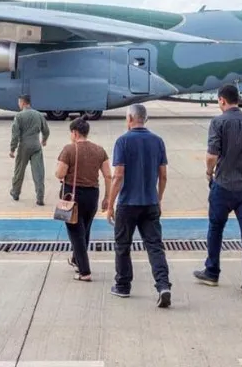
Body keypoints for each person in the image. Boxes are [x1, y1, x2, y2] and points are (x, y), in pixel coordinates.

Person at [193, 83, 242, 295]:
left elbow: (212, 154)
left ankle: (212, 271)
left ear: (222, 100)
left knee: (215, 228)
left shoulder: (218, 122)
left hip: (224, 185)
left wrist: (208, 172)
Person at [106, 103, 172, 308]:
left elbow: (118, 176)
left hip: (128, 203)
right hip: (150, 202)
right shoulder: (158, 141)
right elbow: (163, 175)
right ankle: (163, 285)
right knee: (155, 246)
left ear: (129, 119)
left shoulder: (122, 142)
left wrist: (110, 204)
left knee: (122, 245)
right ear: (145, 119)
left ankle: (123, 285)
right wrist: (158, 198)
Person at [54, 115, 112, 281]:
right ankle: (76, 259)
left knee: (75, 233)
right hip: (93, 195)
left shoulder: (69, 150)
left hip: (73, 197)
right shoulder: (99, 150)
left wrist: (59, 173)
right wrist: (107, 197)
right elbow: (108, 175)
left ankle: (84, 271)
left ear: (75, 133)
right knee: (84, 230)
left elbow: (60, 173)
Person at [10, 94, 50, 205]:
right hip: (36, 146)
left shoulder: (19, 116)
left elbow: (15, 135)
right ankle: (40, 197)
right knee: (38, 172)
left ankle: (15, 192)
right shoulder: (38, 115)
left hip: (24, 147)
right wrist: (44, 140)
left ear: (23, 103)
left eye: (19, 102)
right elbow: (46, 130)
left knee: (19, 171)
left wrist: (12, 149)